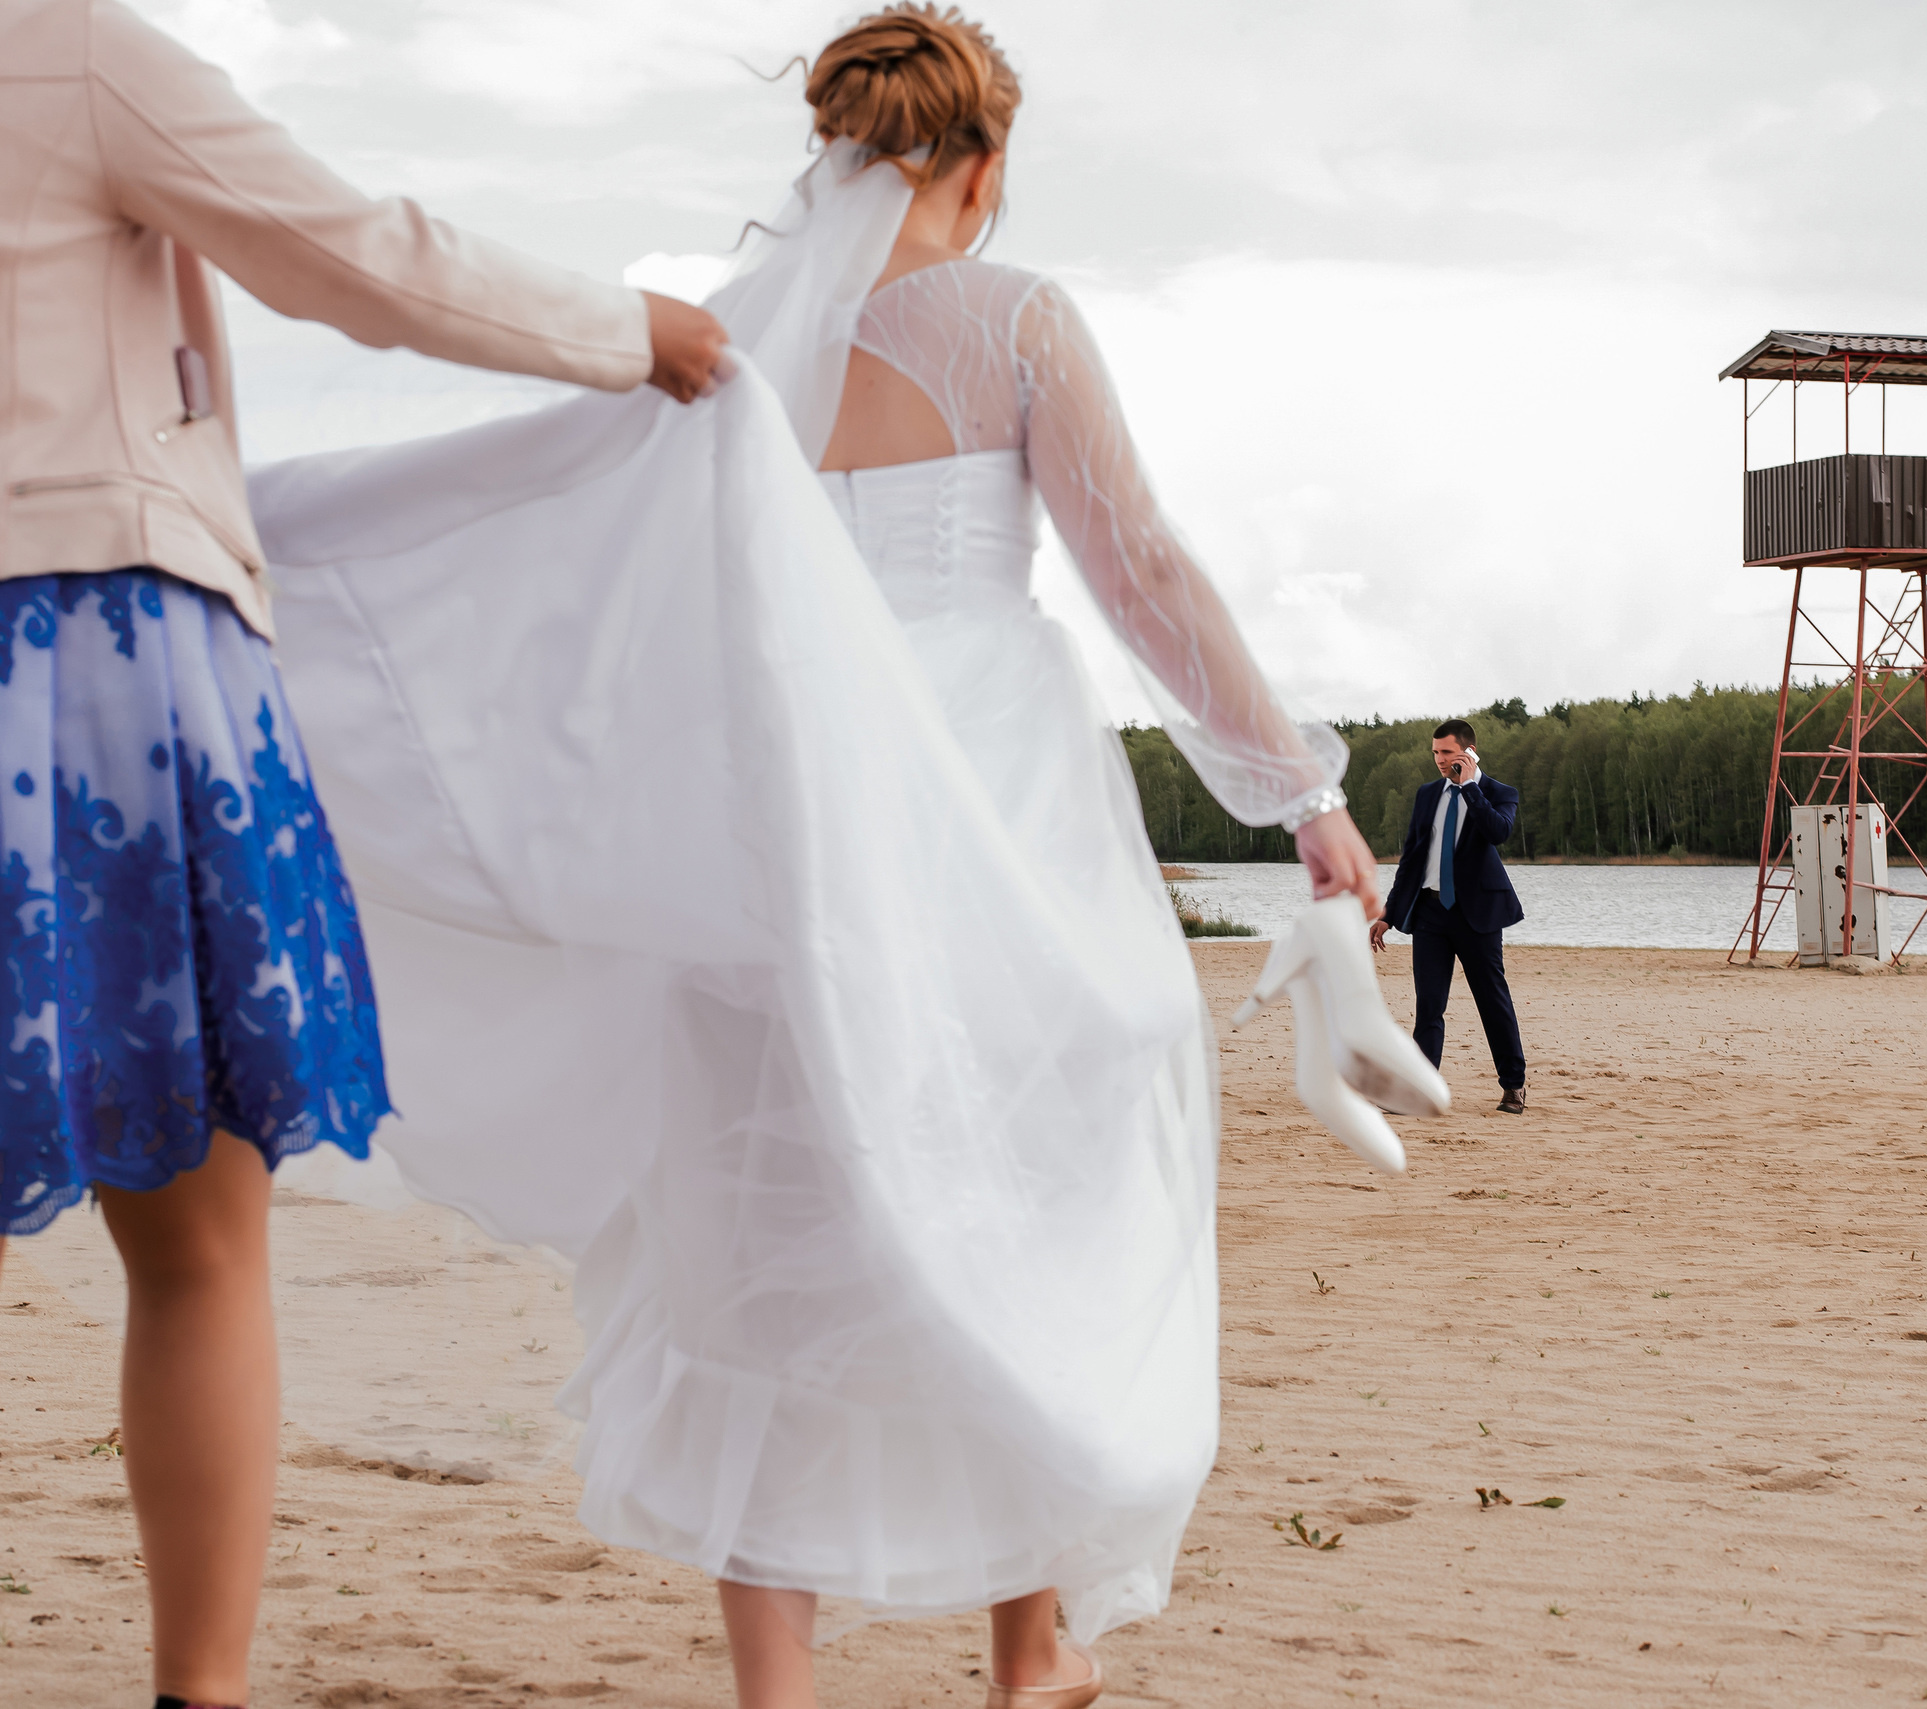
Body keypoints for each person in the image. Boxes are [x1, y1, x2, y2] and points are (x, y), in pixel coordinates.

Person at [234, 9, 1429, 1709]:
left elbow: (621, 572)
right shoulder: (1018, 320)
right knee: (1037, 1186)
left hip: (783, 806)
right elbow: (1141, 573)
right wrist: (1299, 789)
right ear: (990, 162)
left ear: (844, 150)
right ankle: (1033, 1646)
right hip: (986, 799)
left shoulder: (735, 343)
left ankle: (777, 1688)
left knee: (757, 1225)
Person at [0, 4, 727, 1706]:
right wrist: (632, 331)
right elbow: (352, 253)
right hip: (98, 667)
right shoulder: (66, 48)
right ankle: (202, 1685)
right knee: (194, 1238)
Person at [1372, 719, 1531, 1112]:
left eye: (1447, 753)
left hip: (1478, 915)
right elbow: (1411, 859)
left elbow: (1498, 832)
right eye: (1436, 753)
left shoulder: (1499, 793)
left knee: (1492, 1001)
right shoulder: (1427, 795)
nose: (1440, 760)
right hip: (1430, 913)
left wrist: (1470, 787)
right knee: (1428, 1005)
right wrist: (1388, 914)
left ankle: (1514, 1085)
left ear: (1468, 752)